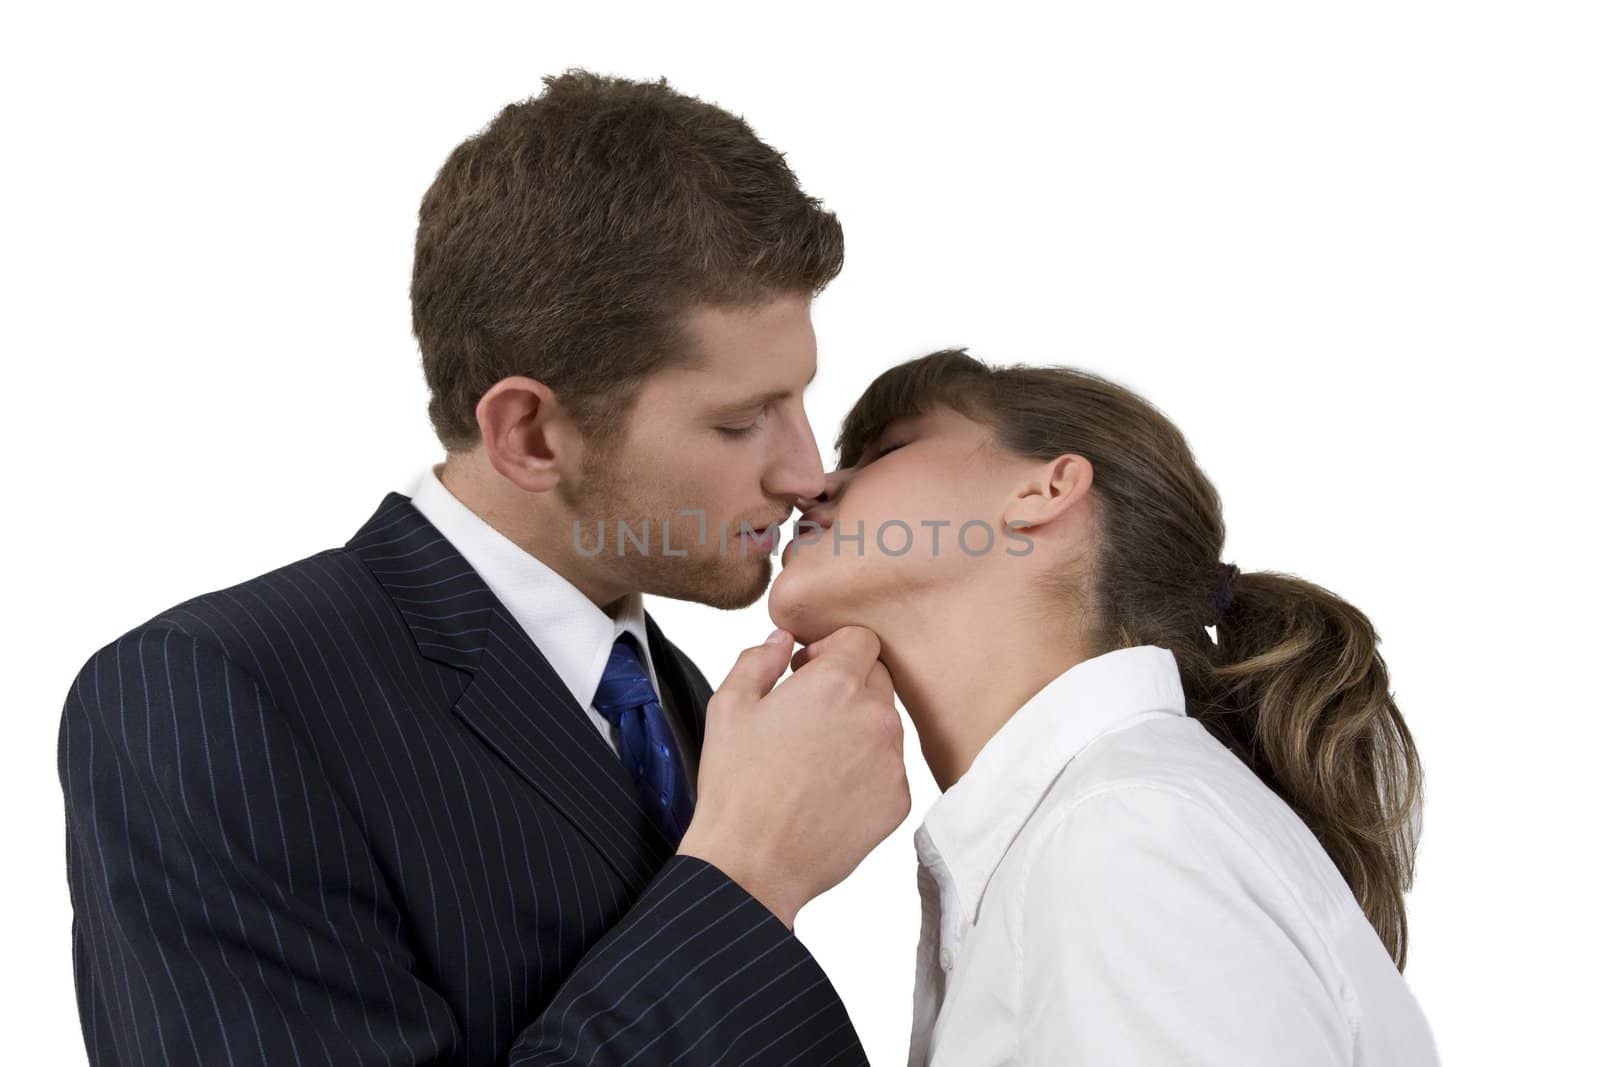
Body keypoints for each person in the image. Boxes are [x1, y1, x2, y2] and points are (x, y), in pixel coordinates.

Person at [57, 71, 910, 1066]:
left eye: (800, 396)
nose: (805, 470)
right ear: (529, 434)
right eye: (738, 420)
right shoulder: (209, 692)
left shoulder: (682, 702)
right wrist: (754, 867)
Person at [771, 349, 1440, 1066]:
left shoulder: (1124, 830)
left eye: (887, 450)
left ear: (1046, 489)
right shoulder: (1113, 822)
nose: (811, 485)